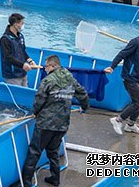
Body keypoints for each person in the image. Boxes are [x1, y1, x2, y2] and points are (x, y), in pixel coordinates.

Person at [20, 55, 89, 187]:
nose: (44, 69)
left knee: (35, 151)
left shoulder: (48, 81)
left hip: (45, 124)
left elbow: (39, 100)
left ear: (52, 66)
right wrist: (84, 108)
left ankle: (27, 182)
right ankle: (55, 178)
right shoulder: (70, 78)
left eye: (45, 66)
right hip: (62, 124)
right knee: (53, 151)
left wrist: (35, 112)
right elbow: (83, 94)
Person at [0, 13, 36, 86]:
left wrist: (29, 60)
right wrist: (23, 65)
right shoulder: (5, 39)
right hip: (12, 74)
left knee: (25, 92)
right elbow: (8, 57)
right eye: (22, 23)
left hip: (23, 72)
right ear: (16, 24)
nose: (23, 25)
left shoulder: (20, 36)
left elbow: (23, 51)